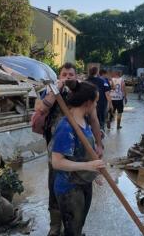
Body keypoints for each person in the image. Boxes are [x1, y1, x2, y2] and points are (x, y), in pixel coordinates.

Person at [31, 63, 103, 236]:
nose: (68, 77)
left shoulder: (83, 94)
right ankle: (56, 226)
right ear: (60, 75)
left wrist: (98, 147)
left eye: (71, 74)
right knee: (57, 187)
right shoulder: (54, 92)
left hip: (77, 155)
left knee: (76, 212)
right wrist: (57, 88)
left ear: (76, 76)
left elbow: (94, 122)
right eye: (65, 74)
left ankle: (74, 228)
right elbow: (42, 108)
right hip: (58, 149)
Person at [50, 81, 105, 236]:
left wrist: (94, 175)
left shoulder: (83, 122)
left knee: (78, 226)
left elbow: (82, 154)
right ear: (87, 103)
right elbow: (57, 162)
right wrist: (89, 166)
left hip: (83, 182)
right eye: (95, 102)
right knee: (72, 230)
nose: (96, 105)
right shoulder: (66, 127)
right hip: (69, 188)